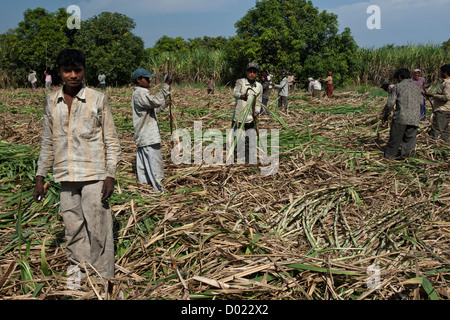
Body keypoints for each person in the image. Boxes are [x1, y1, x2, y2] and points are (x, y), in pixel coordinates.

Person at [33, 49, 121, 281]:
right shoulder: (51, 101)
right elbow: (47, 141)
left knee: (99, 231)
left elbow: (111, 140)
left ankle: (103, 282)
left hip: (94, 176)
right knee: (73, 231)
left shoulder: (97, 99)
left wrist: (110, 174)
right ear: (59, 73)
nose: (73, 75)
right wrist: (40, 177)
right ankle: (78, 279)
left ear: (83, 71)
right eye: (67, 70)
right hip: (65, 177)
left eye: (77, 70)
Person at [131, 68, 172, 192]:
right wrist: (166, 86)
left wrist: (164, 105)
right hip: (148, 136)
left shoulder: (141, 94)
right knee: (155, 166)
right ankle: (158, 190)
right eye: (146, 78)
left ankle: (145, 190)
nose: (149, 80)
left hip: (144, 136)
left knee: (144, 166)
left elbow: (153, 109)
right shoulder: (140, 93)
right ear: (139, 80)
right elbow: (155, 102)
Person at [382, 68, 422, 159]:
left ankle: (389, 158)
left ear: (399, 77)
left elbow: (390, 104)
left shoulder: (397, 87)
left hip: (401, 118)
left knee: (394, 141)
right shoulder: (417, 88)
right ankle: (407, 160)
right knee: (409, 142)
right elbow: (420, 103)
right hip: (414, 118)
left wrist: (386, 115)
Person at [232, 62, 263, 163]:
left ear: (257, 74)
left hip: (250, 117)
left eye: (254, 72)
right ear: (246, 72)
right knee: (236, 138)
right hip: (239, 117)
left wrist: (257, 112)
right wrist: (241, 96)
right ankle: (235, 158)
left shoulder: (259, 86)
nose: (252, 74)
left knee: (250, 140)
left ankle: (248, 160)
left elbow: (258, 102)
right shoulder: (240, 82)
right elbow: (235, 93)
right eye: (250, 71)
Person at [424, 64, 450, 143]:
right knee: (444, 131)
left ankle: (434, 146)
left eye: (441, 72)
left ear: (445, 72)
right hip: (444, 109)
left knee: (437, 130)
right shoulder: (445, 82)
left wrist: (433, 95)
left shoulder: (447, 83)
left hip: (443, 110)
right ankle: (445, 145)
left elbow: (447, 97)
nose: (440, 73)